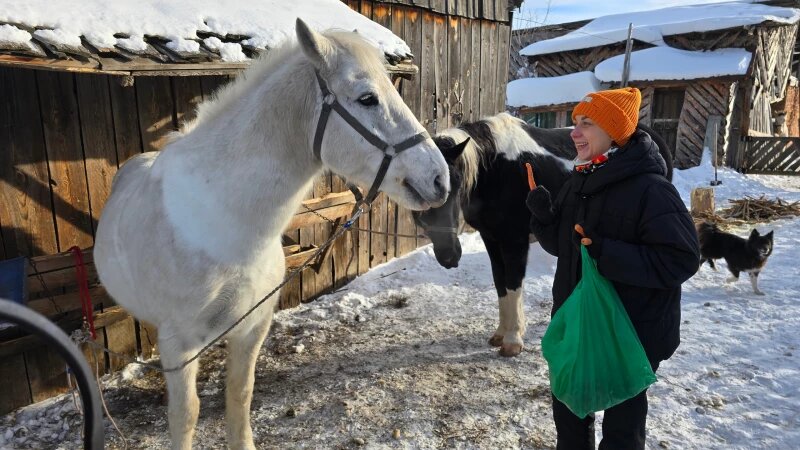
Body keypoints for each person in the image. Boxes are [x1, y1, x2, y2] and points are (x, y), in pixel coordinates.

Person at [526, 87, 700, 449]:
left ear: (615, 132)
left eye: (586, 123)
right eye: (575, 122)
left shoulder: (651, 189)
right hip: (579, 323)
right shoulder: (580, 181)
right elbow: (565, 247)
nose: (574, 132)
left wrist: (608, 253)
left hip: (629, 332)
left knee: (623, 431)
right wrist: (543, 219)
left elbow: (681, 258)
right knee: (570, 417)